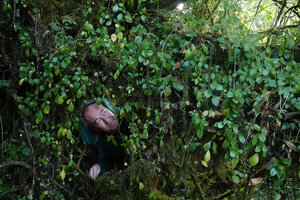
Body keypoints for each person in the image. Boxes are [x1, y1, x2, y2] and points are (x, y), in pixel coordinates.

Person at [80, 98, 125, 180]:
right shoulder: (103, 141)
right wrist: (98, 166)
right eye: (98, 121)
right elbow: (104, 159)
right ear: (96, 129)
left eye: (104, 112)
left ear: (108, 108)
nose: (106, 120)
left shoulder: (129, 116)